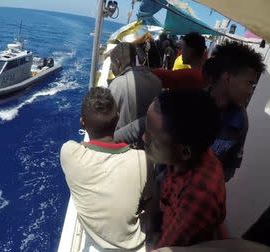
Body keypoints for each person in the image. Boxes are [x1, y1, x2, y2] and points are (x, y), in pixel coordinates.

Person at [60, 87, 153, 251]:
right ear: (117, 119)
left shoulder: (68, 152)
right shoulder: (142, 159)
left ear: (82, 122)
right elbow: (149, 202)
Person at [142, 89, 225, 248]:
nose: (144, 138)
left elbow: (169, 246)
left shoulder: (198, 197)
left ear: (185, 152)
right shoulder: (182, 156)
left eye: (153, 138)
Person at [204, 41, 265, 182]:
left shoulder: (240, 121)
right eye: (249, 83)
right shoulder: (188, 106)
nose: (251, 91)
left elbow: (230, 167)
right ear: (227, 77)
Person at [108, 42, 162, 146]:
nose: (112, 69)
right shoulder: (156, 80)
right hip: (151, 145)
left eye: (112, 66)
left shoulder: (117, 84)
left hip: (127, 147)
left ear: (118, 62)